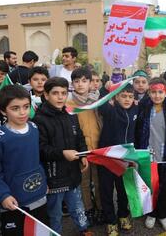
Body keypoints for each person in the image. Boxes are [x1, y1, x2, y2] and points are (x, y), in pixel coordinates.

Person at [0, 85, 48, 235]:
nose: (22, 112)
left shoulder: (34, 128)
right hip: (14, 202)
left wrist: (44, 181)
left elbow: (37, 159)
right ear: (3, 111)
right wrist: (3, 195)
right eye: (15, 108)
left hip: (39, 196)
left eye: (26, 106)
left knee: (40, 232)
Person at [33, 77, 92, 235]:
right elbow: (41, 149)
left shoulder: (70, 114)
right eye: (55, 93)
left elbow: (79, 136)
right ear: (46, 95)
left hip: (72, 173)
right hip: (53, 178)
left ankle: (83, 229)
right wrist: (61, 154)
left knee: (77, 206)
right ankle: (55, 233)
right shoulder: (39, 120)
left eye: (64, 93)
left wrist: (83, 155)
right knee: (55, 213)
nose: (60, 97)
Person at [135, 77, 166, 232]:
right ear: (149, 93)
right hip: (148, 158)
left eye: (160, 92)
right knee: (150, 187)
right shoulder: (143, 111)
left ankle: (164, 214)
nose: (157, 95)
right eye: (153, 92)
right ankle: (151, 213)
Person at [97, 83, 137, 236]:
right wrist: (106, 89)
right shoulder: (110, 109)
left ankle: (123, 215)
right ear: (116, 97)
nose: (127, 100)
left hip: (125, 158)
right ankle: (110, 221)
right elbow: (100, 102)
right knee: (106, 190)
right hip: (107, 157)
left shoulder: (136, 109)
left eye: (130, 97)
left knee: (123, 190)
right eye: (123, 96)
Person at [66, 68, 102, 228]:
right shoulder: (68, 103)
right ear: (72, 84)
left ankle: (101, 208)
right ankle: (88, 210)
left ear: (90, 83)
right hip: (82, 150)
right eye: (77, 81)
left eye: (84, 81)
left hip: (100, 147)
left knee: (100, 180)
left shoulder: (98, 101)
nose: (80, 84)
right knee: (84, 183)